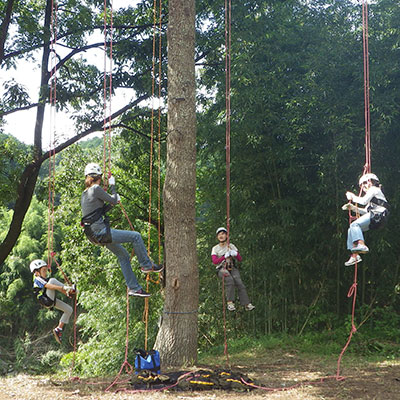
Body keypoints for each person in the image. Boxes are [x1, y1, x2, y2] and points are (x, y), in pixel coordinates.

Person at [81, 163, 163, 297]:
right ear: (99, 177)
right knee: (135, 236)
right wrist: (113, 187)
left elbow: (101, 210)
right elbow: (113, 200)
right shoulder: (96, 188)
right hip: (101, 232)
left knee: (123, 256)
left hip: (93, 235)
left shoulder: (84, 194)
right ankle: (146, 265)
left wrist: (112, 199)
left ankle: (134, 288)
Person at [342, 173, 389, 266]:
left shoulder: (374, 189)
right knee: (351, 229)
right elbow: (365, 211)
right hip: (377, 217)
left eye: (363, 184)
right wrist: (352, 208)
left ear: (369, 181)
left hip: (378, 214)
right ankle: (354, 256)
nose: (363, 187)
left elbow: (363, 201)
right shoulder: (373, 197)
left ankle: (361, 244)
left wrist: (352, 197)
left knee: (354, 225)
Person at [30, 259, 75, 344]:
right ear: (36, 272)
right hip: (47, 300)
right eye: (43, 270)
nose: (45, 272)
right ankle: (69, 290)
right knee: (52, 281)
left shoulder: (42, 278)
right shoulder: (37, 279)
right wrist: (64, 288)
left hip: (50, 300)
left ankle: (58, 329)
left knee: (69, 310)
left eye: (46, 270)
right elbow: (48, 286)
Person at [211, 227, 255, 311]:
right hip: (221, 268)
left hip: (231, 267)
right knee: (229, 279)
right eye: (219, 234)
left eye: (223, 234)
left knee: (239, 282)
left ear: (226, 235)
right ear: (217, 237)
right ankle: (230, 302)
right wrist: (224, 257)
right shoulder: (215, 248)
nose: (221, 236)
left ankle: (246, 303)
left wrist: (234, 253)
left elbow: (240, 259)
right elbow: (215, 261)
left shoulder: (231, 246)